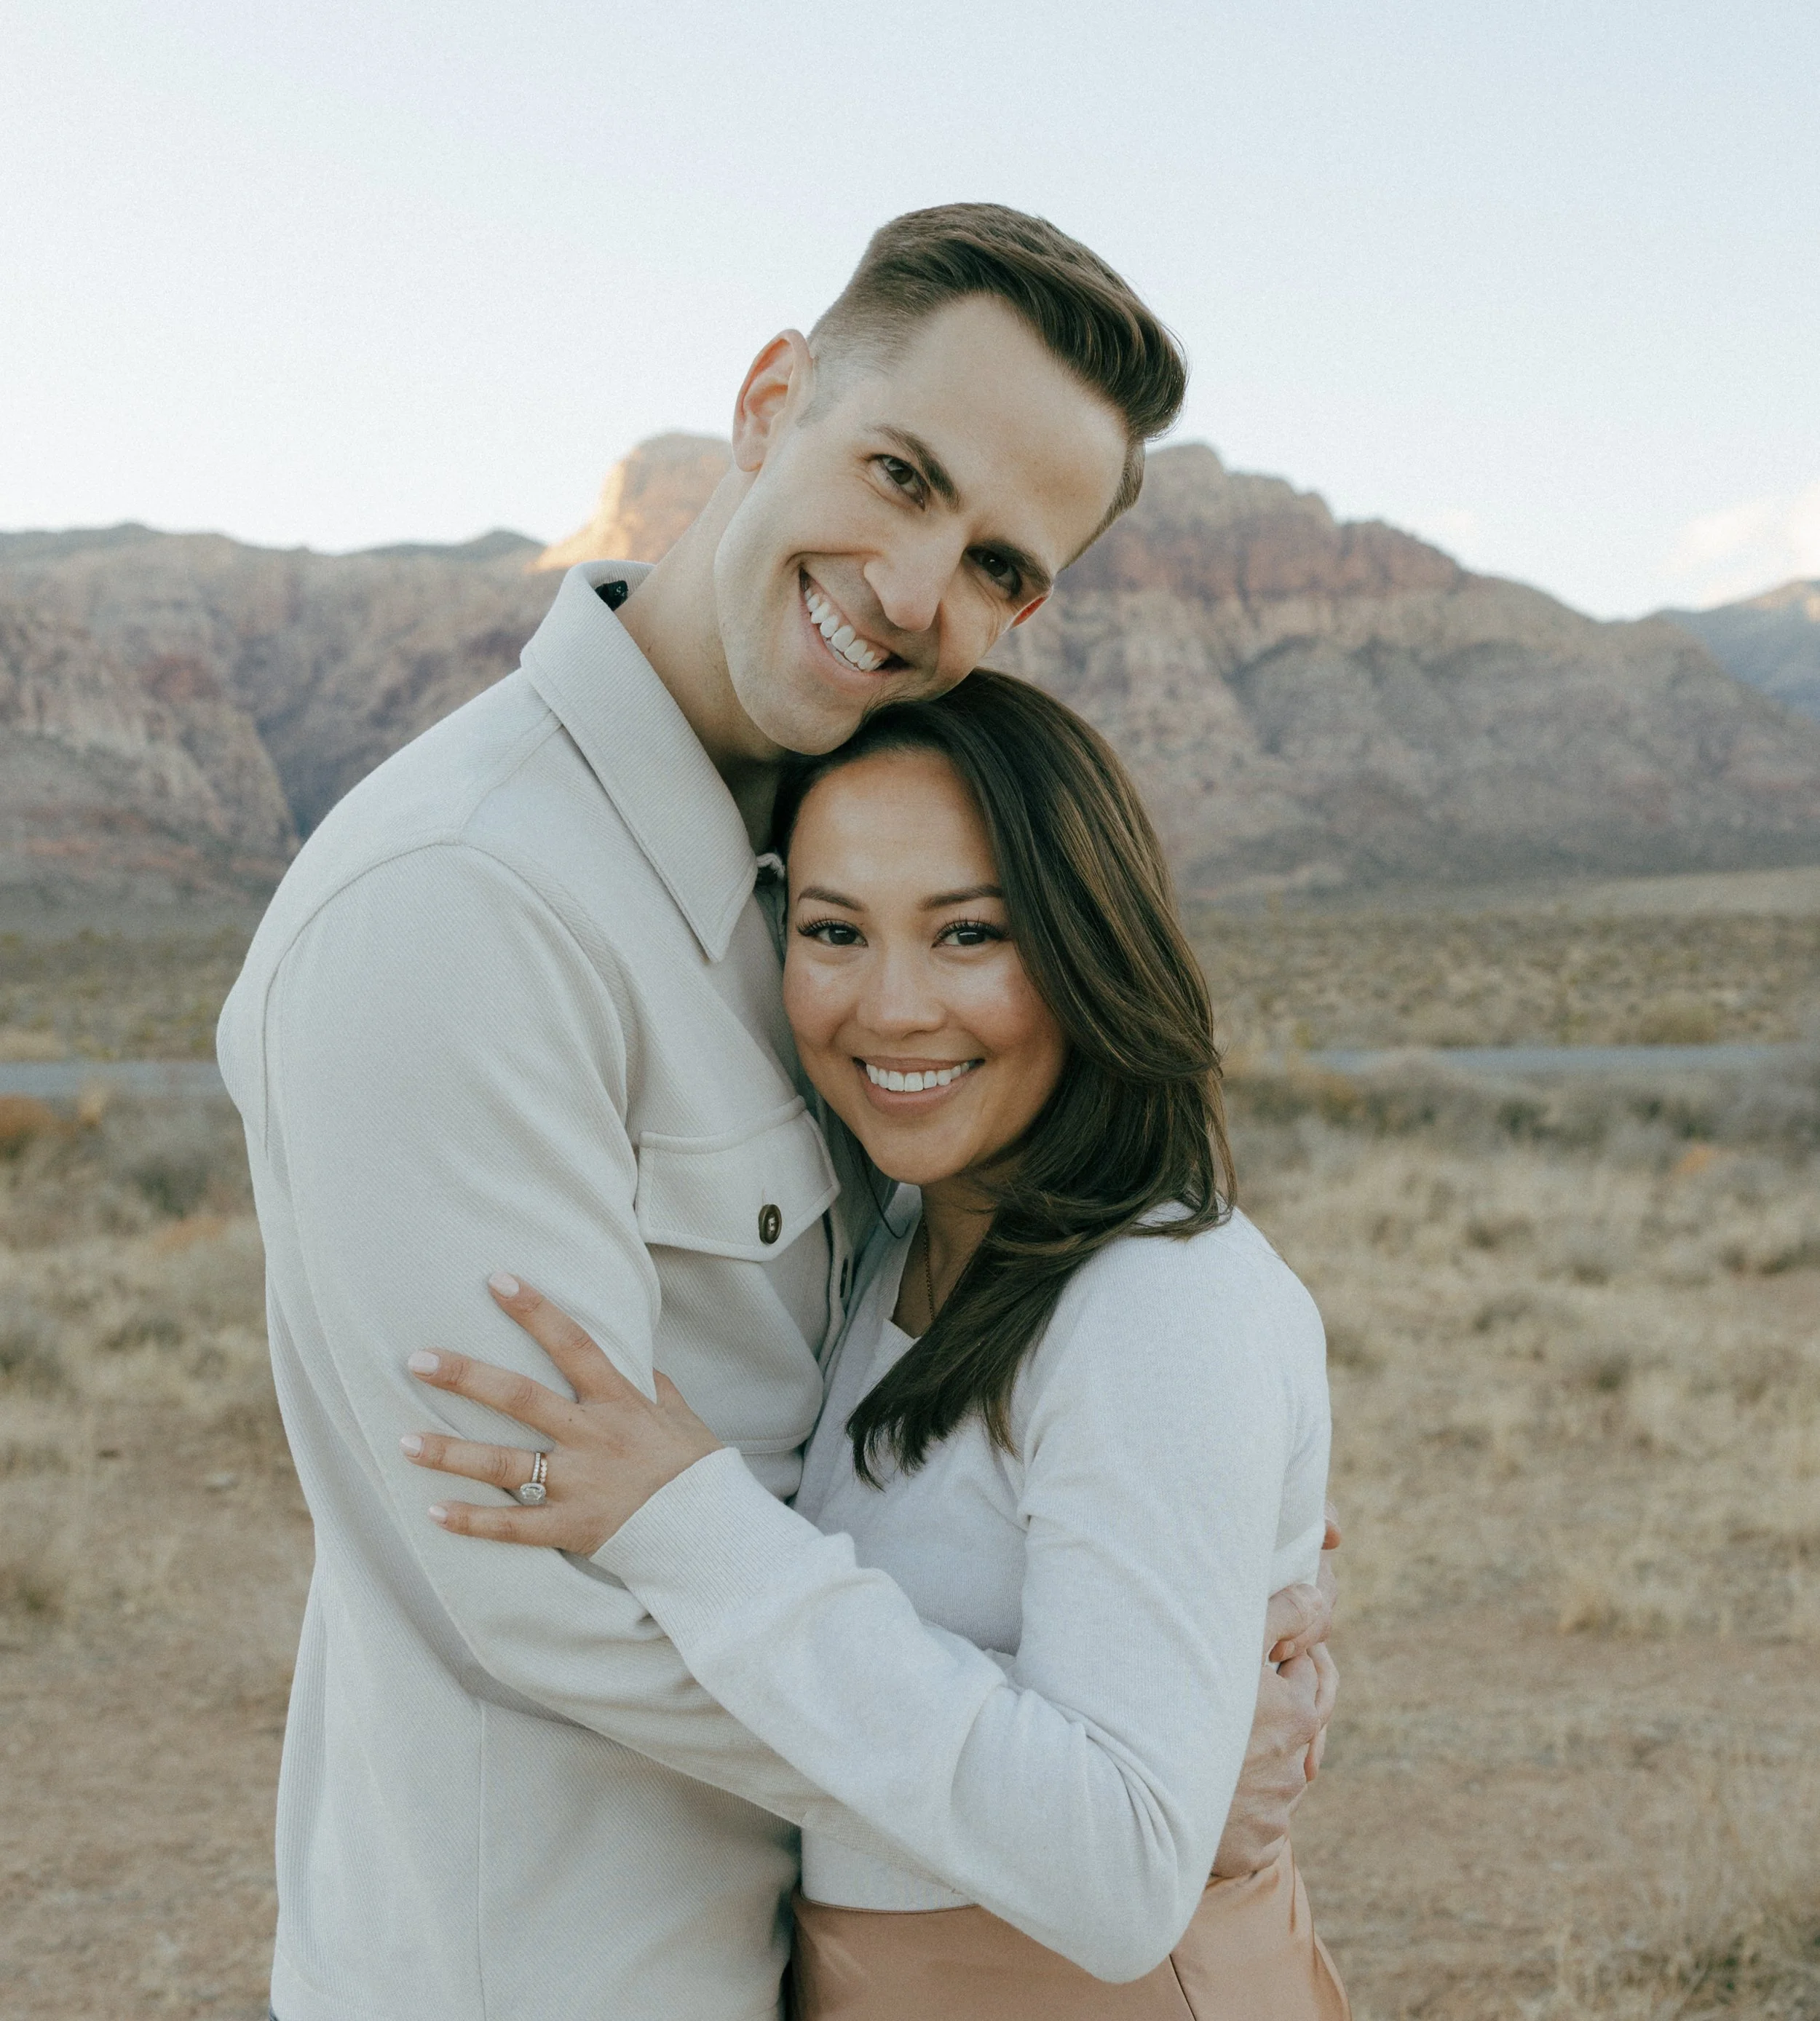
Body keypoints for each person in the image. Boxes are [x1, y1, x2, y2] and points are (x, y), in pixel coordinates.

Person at [218, 204, 1337, 2021]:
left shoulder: (819, 864)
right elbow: (539, 1582)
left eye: (999, 566)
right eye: (898, 474)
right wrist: (1109, 1774)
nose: (916, 591)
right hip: (564, 1965)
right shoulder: (458, 900)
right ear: (766, 402)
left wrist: (1177, 1664)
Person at [403, 672, 1348, 2018]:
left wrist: (693, 1525)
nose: (890, 1009)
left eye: (968, 935)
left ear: (1091, 945)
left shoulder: (1160, 1301)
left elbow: (1121, 1874)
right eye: (835, 931)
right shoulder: (892, 1235)